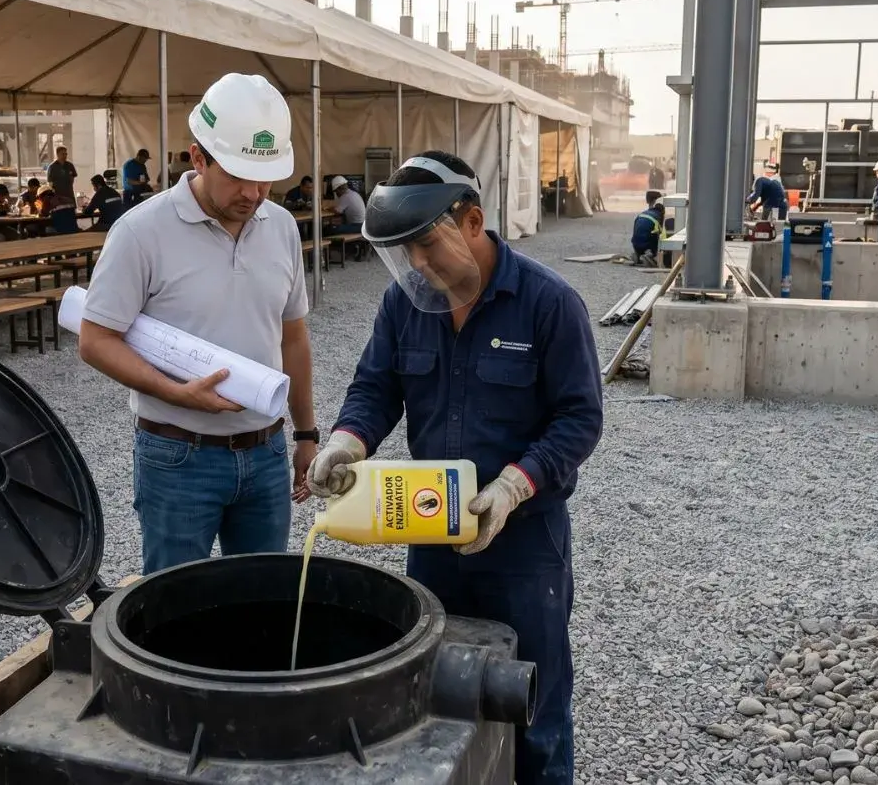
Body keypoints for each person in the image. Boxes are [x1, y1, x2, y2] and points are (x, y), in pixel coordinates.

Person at [307, 151, 603, 785]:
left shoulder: (549, 305)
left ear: (472, 220)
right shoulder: (406, 303)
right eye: (403, 252)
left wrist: (512, 485)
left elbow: (579, 420)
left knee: (533, 702)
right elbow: (376, 386)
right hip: (432, 528)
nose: (417, 265)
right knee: (437, 692)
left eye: (425, 245)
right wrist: (346, 442)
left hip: (525, 541)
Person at [78, 72, 316, 575]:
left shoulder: (282, 228)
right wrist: (174, 392)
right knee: (173, 610)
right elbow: (96, 339)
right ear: (198, 157)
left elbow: (292, 336)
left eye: (265, 177)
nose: (254, 193)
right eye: (238, 176)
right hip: (178, 455)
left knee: (261, 603)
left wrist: (306, 433)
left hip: (267, 451)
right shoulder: (141, 232)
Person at [631, 190, 665, 265]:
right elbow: (660, 234)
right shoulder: (658, 216)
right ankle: (650, 255)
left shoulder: (642, 214)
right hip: (647, 245)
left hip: (635, 244)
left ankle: (637, 254)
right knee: (658, 235)